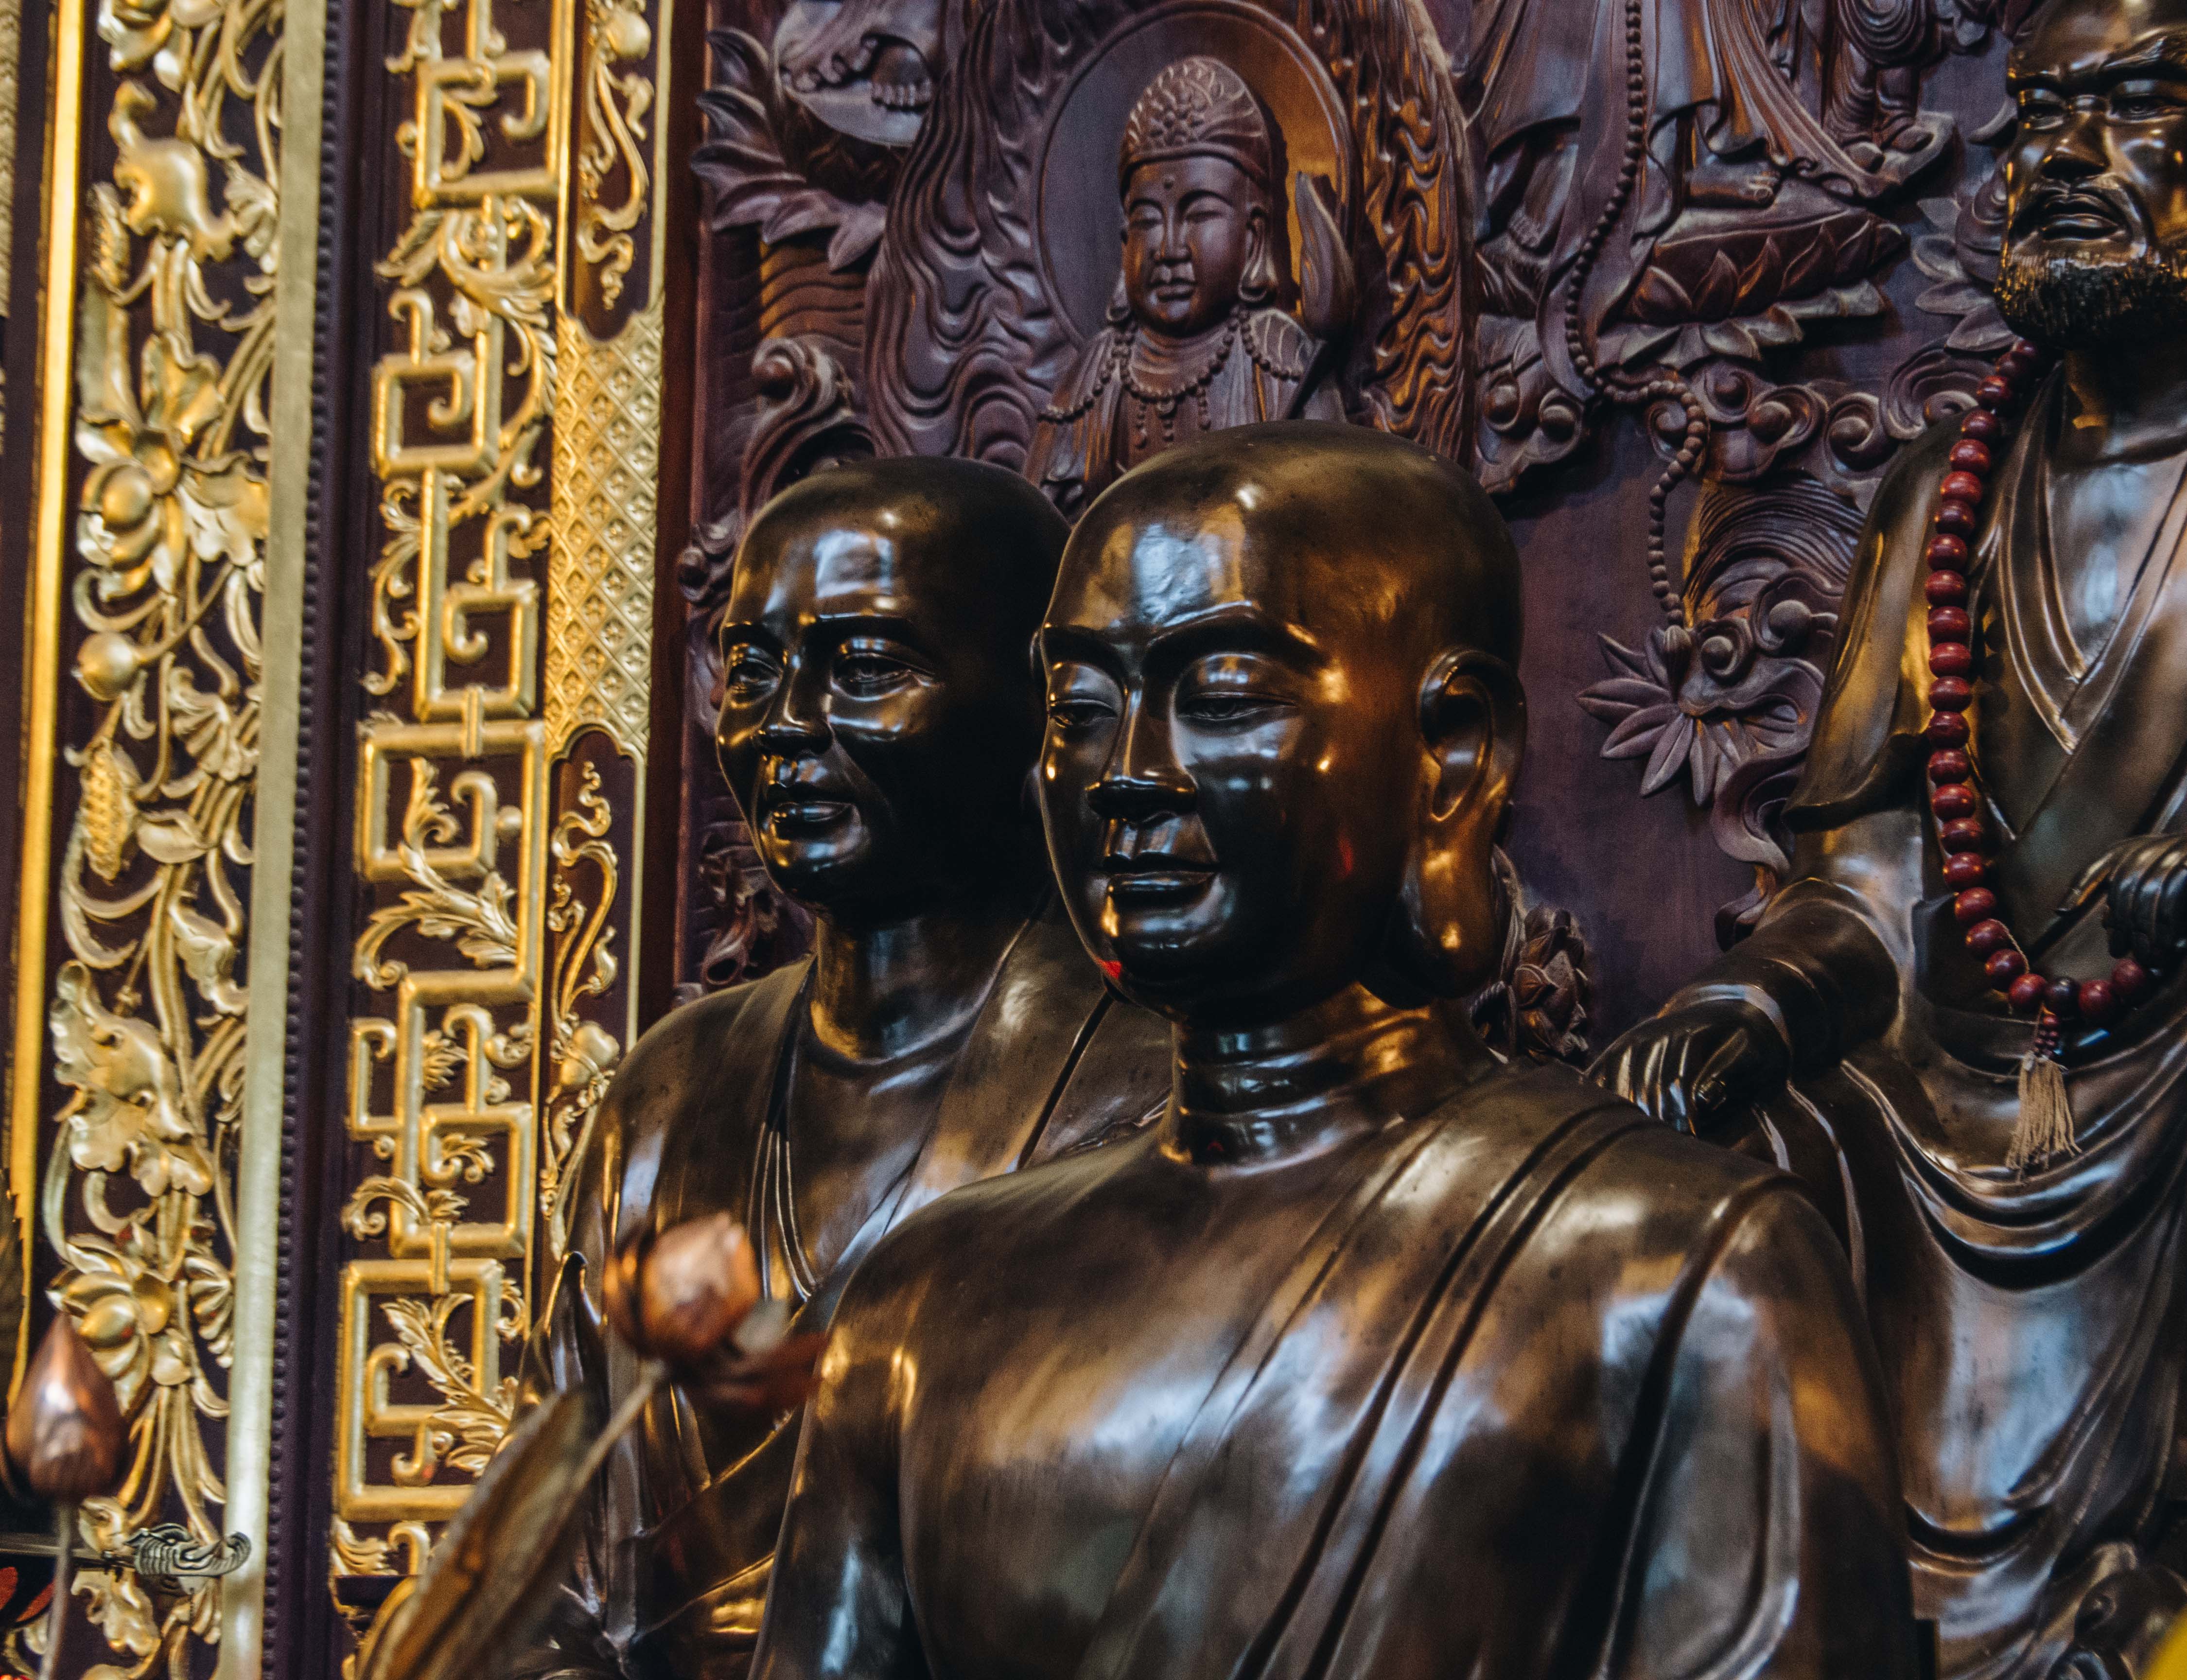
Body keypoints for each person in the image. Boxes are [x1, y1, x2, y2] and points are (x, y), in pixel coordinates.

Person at [748, 423, 1915, 1680]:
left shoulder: (1675, 1271)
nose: (1126, 774)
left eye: (1223, 695)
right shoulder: (921, 1302)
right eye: (1081, 708)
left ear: (1452, 751)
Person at [1595, 3, 2187, 1675]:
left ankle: (2182, 1548)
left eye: (2126, 107)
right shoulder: (1938, 496)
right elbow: (1876, 889)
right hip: (1933, 1098)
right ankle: (1761, 1601)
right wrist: (1751, 1002)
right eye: (2039, 117)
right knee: (1702, 1169)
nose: (2065, 157)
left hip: (2181, 1098)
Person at [517, 457, 1168, 1679]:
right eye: (752, 672)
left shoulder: (1148, 1088)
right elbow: (549, 1571)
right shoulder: (667, 1095)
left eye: (865, 668)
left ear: (1040, 707)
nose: (784, 723)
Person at [1024, 57, 1344, 518]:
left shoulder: (1279, 360)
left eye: (1198, 214)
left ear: (1253, 235)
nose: (1169, 249)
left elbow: (1332, 513)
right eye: (1148, 220)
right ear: (1125, 241)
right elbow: (1039, 530)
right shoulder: (1093, 378)